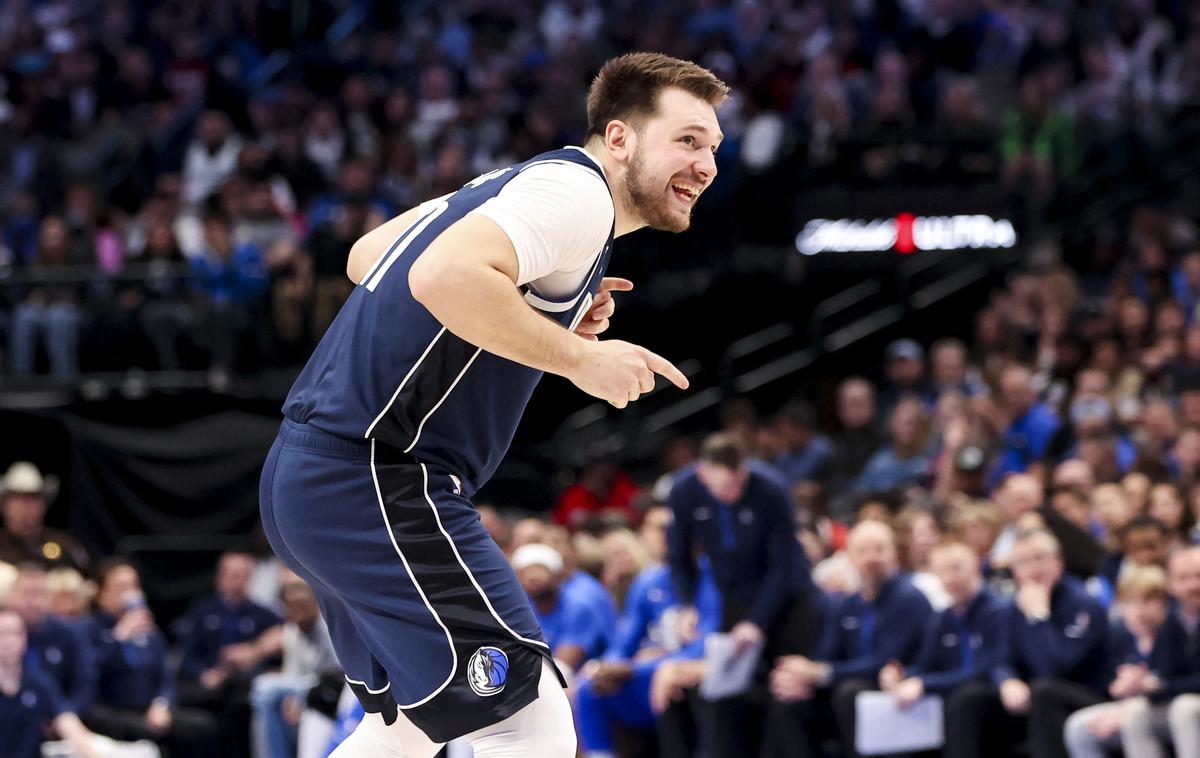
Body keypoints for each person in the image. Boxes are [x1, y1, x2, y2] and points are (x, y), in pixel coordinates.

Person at [259, 52, 728, 757]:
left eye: (714, 147)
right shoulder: (579, 195)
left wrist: (540, 309)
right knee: (528, 713)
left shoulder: (523, 186)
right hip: (376, 474)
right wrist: (581, 359)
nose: (707, 165)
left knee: (406, 732)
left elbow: (370, 257)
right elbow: (441, 274)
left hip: (313, 477)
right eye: (687, 140)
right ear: (621, 137)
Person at [767, 520, 933, 758]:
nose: (871, 558)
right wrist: (804, 676)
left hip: (897, 687)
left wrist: (823, 673)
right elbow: (826, 654)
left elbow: (884, 661)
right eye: (862, 551)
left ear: (894, 553)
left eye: (879, 549)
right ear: (849, 558)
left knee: (850, 692)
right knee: (788, 697)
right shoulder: (848, 604)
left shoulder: (909, 598)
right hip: (847, 684)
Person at [952, 529, 1108, 758]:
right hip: (1034, 697)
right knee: (969, 699)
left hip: (1084, 696)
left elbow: (1056, 669)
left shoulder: (1083, 604)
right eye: (1023, 562)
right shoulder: (1012, 607)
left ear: (1058, 562)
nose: (1033, 569)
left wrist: (1039, 618)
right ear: (1014, 572)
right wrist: (1007, 681)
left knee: (1043, 691)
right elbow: (999, 658)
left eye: (1039, 558)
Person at [84, 559, 218, 758]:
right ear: (103, 595)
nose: (130, 593)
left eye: (134, 586)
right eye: (122, 587)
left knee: (203, 726)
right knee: (148, 735)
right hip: (112, 710)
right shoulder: (90, 628)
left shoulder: (149, 631)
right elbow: (90, 672)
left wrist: (161, 704)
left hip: (149, 708)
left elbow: (166, 675)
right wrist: (119, 637)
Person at [0, 606, 106, 758]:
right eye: (3, 633)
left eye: (17, 633)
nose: (10, 641)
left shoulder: (39, 683)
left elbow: (69, 724)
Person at [7, 563, 95, 713]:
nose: (34, 603)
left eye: (41, 594)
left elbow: (84, 686)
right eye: (27, 594)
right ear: (11, 596)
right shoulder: (3, 632)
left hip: (60, 719)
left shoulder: (69, 634)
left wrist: (64, 715)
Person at [0, 462, 89, 572]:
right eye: (18, 499)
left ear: (43, 504)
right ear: (4, 505)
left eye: (34, 498)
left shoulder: (65, 545)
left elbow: (87, 576)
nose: (26, 506)